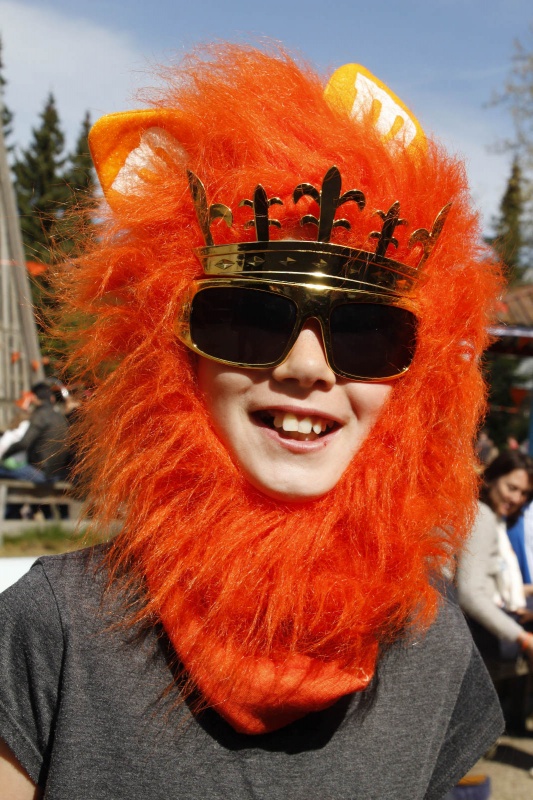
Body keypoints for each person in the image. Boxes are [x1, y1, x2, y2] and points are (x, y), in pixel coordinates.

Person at [0, 46, 505, 799]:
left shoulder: (432, 648)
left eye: (367, 331)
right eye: (247, 320)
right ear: (175, 362)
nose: (308, 367)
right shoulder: (53, 629)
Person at [456, 451, 533, 663]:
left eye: (524, 493)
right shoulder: (482, 517)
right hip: (481, 635)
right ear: (492, 478)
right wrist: (523, 639)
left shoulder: (496, 520)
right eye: (512, 488)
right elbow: (470, 594)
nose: (517, 498)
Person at [0, 382, 70, 484]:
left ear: (34, 398)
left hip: (39, 473)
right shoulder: (60, 417)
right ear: (52, 398)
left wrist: (5, 455)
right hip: (55, 475)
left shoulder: (40, 415)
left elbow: (23, 443)